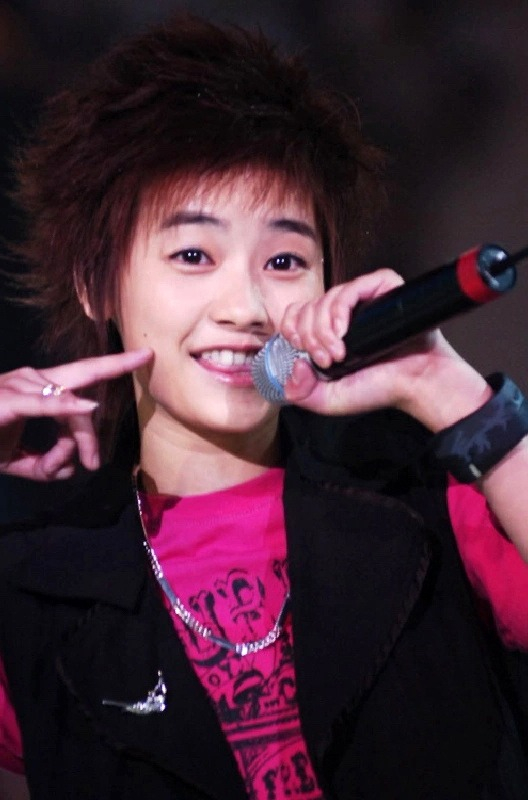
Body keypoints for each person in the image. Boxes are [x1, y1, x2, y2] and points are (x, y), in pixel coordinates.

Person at [0, 14, 528, 800]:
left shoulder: (430, 504)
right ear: (96, 283)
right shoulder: (35, 585)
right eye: (193, 255)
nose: (246, 307)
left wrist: (453, 395)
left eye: (284, 260)